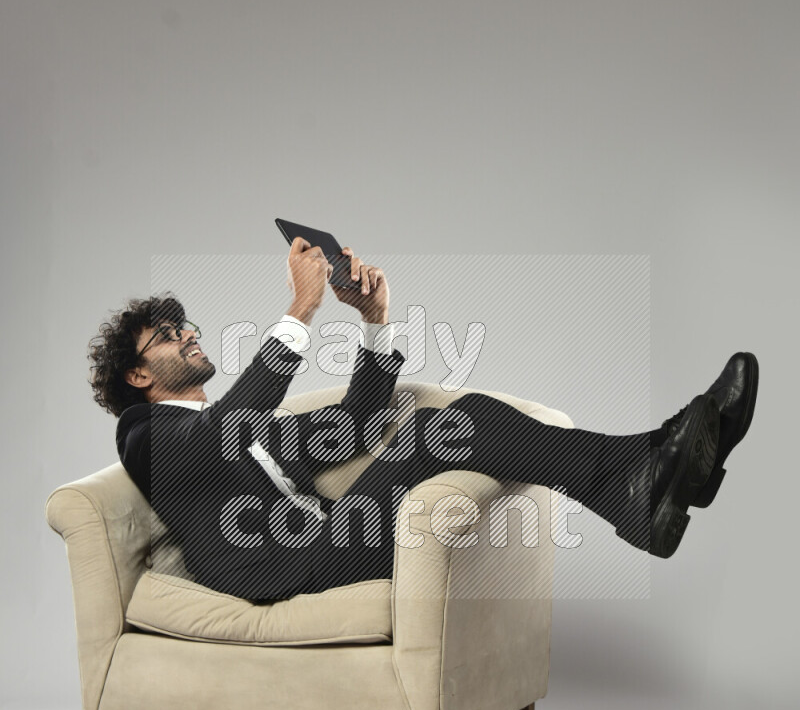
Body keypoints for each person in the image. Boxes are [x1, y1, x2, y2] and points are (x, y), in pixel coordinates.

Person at [88, 239, 759, 602]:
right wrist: (300, 307)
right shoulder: (145, 438)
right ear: (138, 376)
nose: (188, 335)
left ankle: (641, 472)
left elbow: (351, 426)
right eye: (169, 335)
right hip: (288, 572)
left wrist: (374, 321)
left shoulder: (254, 434)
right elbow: (219, 432)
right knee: (442, 426)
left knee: (450, 418)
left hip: (335, 541)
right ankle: (638, 476)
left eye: (186, 325)